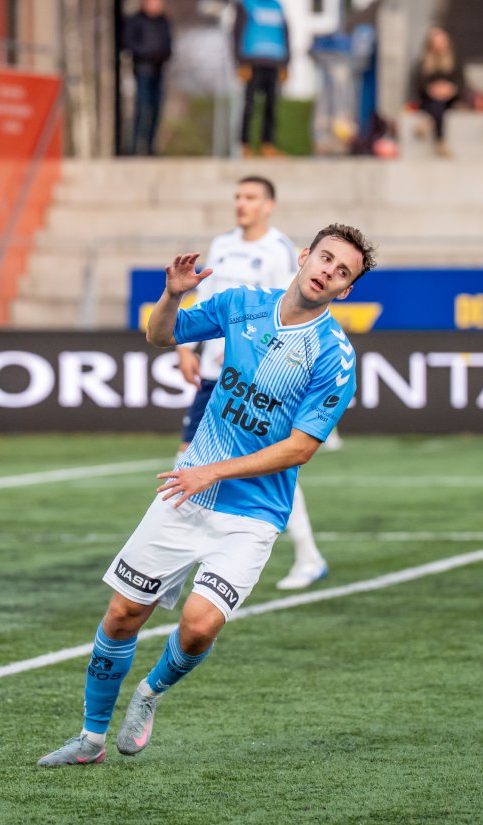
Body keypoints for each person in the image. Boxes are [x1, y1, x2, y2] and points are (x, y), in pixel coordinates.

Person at [38, 224, 375, 767]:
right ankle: (90, 740)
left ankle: (149, 695)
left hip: (253, 512)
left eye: (342, 273)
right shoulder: (241, 303)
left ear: (346, 290)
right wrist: (173, 294)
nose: (328, 272)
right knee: (123, 613)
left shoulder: (334, 356)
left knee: (198, 627)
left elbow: (299, 449)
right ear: (305, 254)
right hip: (186, 494)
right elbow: (160, 337)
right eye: (326, 258)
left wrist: (213, 471)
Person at [177, 175, 332, 591]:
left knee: (266, 467)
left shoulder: (280, 250)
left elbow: (291, 310)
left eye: (250, 197)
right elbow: (202, 300)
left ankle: (306, 553)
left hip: (256, 377)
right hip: (214, 372)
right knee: (190, 460)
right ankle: (184, 554)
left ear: (269, 205)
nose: (241, 204)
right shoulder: (222, 245)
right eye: (238, 197)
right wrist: (185, 347)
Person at [233, 0, 290, 158]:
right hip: (253, 61)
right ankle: (244, 145)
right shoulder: (246, 5)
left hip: (274, 62)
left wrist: (286, 64)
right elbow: (237, 33)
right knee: (250, 105)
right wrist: (241, 62)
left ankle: (268, 145)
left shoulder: (278, 7)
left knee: (271, 107)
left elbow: (285, 34)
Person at [123, 0, 173, 156]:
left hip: (159, 70)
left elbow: (169, 44)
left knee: (156, 108)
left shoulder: (164, 21)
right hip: (142, 69)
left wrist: (163, 55)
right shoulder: (136, 20)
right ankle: (134, 145)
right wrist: (147, 53)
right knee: (142, 107)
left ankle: (151, 146)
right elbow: (129, 42)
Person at [412, 26, 464, 159]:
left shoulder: (454, 60)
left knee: (439, 104)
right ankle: (440, 140)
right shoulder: (424, 62)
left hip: (450, 99)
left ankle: (430, 122)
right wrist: (433, 90)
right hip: (431, 99)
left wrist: (449, 89)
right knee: (436, 104)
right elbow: (420, 84)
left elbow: (460, 82)